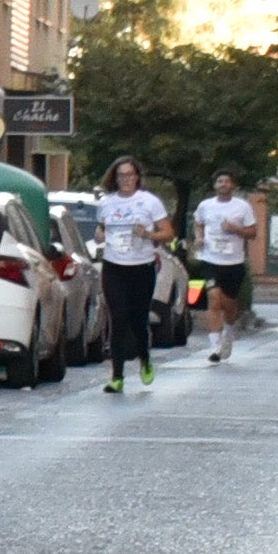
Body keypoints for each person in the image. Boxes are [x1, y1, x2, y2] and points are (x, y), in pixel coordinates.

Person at [93, 155, 172, 390]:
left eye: (130, 175)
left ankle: (145, 361)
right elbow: (101, 228)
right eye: (121, 176)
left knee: (138, 319)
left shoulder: (149, 202)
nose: (125, 179)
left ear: (137, 177)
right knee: (118, 319)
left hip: (141, 267)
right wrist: (100, 234)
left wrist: (147, 235)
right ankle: (117, 377)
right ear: (115, 179)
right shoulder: (107, 203)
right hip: (114, 266)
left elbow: (168, 233)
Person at [188, 172, 256, 365]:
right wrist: (199, 237)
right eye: (219, 181)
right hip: (210, 260)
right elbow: (198, 223)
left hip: (233, 263)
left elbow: (253, 233)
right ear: (215, 185)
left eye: (227, 181)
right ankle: (214, 346)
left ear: (232, 185)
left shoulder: (242, 207)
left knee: (230, 306)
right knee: (214, 298)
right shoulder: (205, 206)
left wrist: (235, 229)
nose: (223, 184)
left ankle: (229, 330)